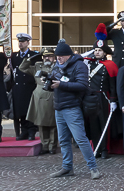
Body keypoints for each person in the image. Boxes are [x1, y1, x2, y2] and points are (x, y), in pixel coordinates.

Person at [49, 39, 101, 178]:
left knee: (80, 139)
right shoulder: (57, 65)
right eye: (57, 56)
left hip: (72, 107)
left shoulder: (79, 65)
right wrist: (49, 85)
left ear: (68, 55)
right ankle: (67, 167)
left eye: (61, 56)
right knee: (64, 140)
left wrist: (61, 85)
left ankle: (93, 168)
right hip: (59, 107)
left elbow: (82, 86)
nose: (58, 58)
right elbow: (55, 83)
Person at [82, 38, 118, 159]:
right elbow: (74, 59)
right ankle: (96, 148)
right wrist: (86, 54)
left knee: (104, 124)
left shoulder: (110, 65)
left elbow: (113, 84)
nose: (97, 52)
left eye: (100, 50)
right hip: (91, 97)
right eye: (95, 50)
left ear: (105, 52)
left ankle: (104, 149)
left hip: (103, 97)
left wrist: (113, 100)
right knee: (93, 124)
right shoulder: (88, 62)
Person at [19, 49, 58, 155]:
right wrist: (31, 57)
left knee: (53, 123)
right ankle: (44, 145)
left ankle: (52, 146)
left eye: (50, 56)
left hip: (52, 95)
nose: (47, 58)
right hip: (39, 96)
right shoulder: (37, 66)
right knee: (41, 122)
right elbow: (22, 68)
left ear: (54, 57)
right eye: (45, 56)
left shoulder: (57, 66)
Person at [10, 33, 40, 141]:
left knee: (30, 110)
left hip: (29, 86)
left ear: (28, 42)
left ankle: (31, 131)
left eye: (23, 42)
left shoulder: (33, 55)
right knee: (20, 111)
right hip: (18, 87)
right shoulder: (14, 56)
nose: (20, 44)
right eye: (19, 41)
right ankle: (24, 131)